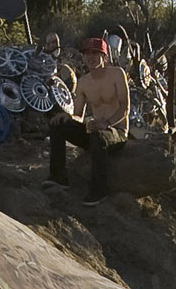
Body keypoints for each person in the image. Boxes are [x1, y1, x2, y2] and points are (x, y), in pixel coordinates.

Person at [48, 36, 130, 204]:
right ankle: (58, 176)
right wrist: (68, 116)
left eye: (95, 53)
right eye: (87, 54)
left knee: (98, 136)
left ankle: (99, 190)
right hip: (94, 131)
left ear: (104, 57)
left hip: (116, 131)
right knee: (58, 124)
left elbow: (124, 107)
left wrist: (106, 123)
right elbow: (79, 114)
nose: (90, 57)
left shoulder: (116, 74)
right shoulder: (83, 82)